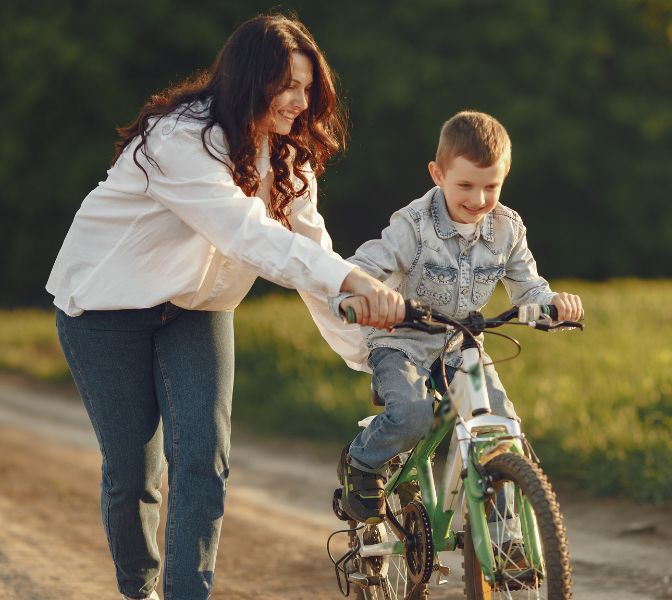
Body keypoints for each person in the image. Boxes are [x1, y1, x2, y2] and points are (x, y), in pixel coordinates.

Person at [46, 14, 404, 600]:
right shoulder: (178, 138)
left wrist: (369, 350)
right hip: (106, 311)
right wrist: (354, 280)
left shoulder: (287, 158)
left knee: (205, 461)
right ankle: (139, 590)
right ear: (249, 79)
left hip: (198, 310)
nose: (299, 100)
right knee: (135, 472)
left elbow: (310, 256)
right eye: (287, 84)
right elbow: (250, 238)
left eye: (307, 87)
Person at [330, 110, 583, 524]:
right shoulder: (412, 225)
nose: (478, 199)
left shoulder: (507, 228)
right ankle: (362, 463)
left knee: (500, 427)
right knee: (414, 415)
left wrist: (555, 304)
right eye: (465, 185)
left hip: (460, 345)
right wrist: (357, 297)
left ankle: (504, 540)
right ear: (437, 174)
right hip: (402, 341)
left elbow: (529, 288)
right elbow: (362, 268)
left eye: (491, 187)